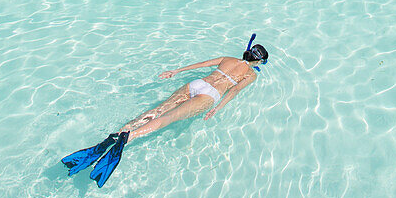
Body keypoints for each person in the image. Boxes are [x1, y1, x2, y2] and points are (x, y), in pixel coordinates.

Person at [61, 36, 268, 188]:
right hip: (210, 95)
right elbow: (234, 91)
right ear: (258, 61)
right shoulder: (251, 74)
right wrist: (217, 108)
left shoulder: (228, 59)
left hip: (197, 83)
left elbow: (202, 64)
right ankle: (128, 137)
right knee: (168, 118)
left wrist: (176, 71)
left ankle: (117, 134)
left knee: (157, 110)